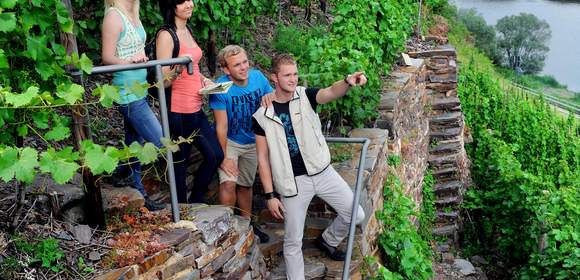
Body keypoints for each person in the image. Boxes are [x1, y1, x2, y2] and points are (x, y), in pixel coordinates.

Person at [253, 54, 366, 280]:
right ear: (274, 77)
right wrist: (270, 195)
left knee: (357, 214)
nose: (293, 79)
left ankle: (328, 240)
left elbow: (331, 92)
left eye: (295, 74)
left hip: (324, 173)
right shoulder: (261, 115)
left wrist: (347, 81)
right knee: (293, 241)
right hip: (293, 184)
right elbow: (262, 158)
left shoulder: (306, 96)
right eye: (287, 75)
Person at [156, 0, 223, 203]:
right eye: (181, 1)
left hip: (195, 106)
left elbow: (193, 66)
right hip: (178, 109)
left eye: (190, 0)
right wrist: (178, 66)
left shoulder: (188, 29)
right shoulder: (167, 35)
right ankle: (182, 212)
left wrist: (204, 80)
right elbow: (162, 81)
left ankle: (195, 202)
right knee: (180, 164)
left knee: (215, 156)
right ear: (171, 6)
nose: (189, 5)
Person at [101, 0, 165, 211]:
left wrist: (141, 59)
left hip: (140, 89)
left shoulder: (133, 12)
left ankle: (139, 192)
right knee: (160, 141)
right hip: (127, 93)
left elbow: (133, 49)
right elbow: (107, 57)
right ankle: (118, 170)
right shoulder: (113, 16)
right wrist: (130, 62)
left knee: (134, 143)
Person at [209, 45, 273, 243]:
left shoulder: (258, 78)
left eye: (245, 62)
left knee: (245, 185)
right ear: (226, 70)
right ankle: (225, 227)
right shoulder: (220, 88)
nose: (244, 67)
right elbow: (221, 126)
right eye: (237, 65)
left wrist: (270, 96)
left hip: (254, 140)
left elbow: (273, 98)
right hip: (230, 141)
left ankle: (247, 226)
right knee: (228, 183)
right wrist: (223, 156)